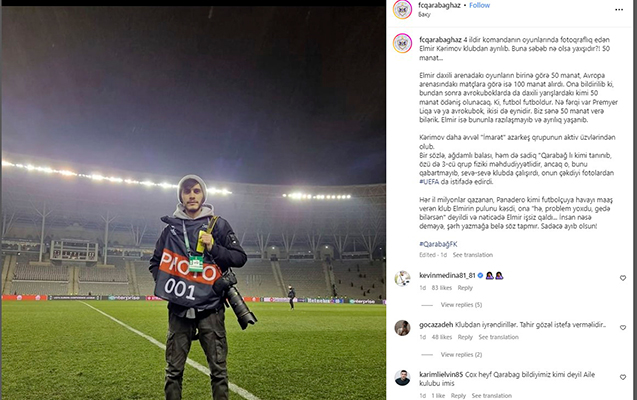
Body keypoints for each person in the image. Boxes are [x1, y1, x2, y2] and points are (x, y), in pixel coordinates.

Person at [149, 174, 247, 400]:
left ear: (203, 195)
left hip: (211, 308)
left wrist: (214, 248)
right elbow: (155, 262)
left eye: (196, 191)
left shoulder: (218, 224)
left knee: (219, 372)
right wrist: (168, 284)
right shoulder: (171, 229)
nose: (192, 195)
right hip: (179, 308)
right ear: (181, 196)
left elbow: (239, 258)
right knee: (173, 371)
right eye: (187, 191)